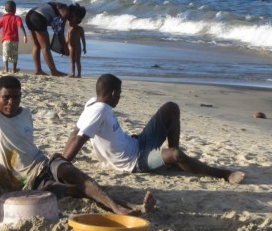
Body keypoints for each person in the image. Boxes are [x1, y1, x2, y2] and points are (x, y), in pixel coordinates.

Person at [0, 76, 152, 215]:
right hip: (25, 181)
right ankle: (125, 206)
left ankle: (123, 206)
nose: (11, 102)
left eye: (16, 97)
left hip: (42, 163)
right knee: (75, 190)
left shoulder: (26, 113)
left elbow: (27, 147)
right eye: (6, 98)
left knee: (75, 174)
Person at [62, 74, 246, 185]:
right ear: (113, 94)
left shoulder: (92, 103)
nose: (120, 97)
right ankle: (224, 174)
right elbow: (79, 137)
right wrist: (62, 165)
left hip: (137, 142)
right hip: (135, 161)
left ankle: (173, 164)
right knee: (175, 154)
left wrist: (61, 159)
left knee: (171, 108)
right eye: (120, 93)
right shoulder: (100, 109)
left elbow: (74, 132)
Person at [24, 1, 73, 76]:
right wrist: (65, 48)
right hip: (38, 17)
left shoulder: (57, 5)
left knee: (36, 45)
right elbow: (60, 32)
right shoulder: (66, 11)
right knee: (45, 47)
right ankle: (54, 71)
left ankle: (38, 70)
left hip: (30, 14)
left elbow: (56, 27)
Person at [0, 0, 28, 73]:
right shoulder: (17, 18)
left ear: (5, 10)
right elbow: (21, 26)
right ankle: (14, 69)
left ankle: (6, 69)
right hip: (15, 40)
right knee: (14, 54)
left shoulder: (3, 18)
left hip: (6, 40)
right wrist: (25, 35)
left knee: (5, 54)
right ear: (15, 10)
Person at [66, 4, 87, 78]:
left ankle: (79, 74)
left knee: (77, 61)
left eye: (70, 20)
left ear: (77, 20)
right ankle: (72, 73)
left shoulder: (80, 29)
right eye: (68, 21)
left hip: (78, 47)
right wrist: (63, 49)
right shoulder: (69, 30)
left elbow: (83, 38)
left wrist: (84, 47)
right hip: (70, 47)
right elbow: (67, 40)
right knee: (71, 61)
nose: (68, 22)